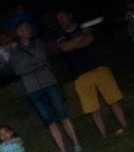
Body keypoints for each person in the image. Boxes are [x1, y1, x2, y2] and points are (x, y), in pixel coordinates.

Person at [9, 21, 82, 152]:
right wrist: (36, 64)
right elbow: (18, 70)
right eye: (25, 28)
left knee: (62, 114)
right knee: (49, 120)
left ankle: (77, 145)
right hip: (32, 89)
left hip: (49, 82)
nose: (29, 30)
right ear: (18, 33)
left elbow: (41, 57)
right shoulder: (15, 53)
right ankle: (63, 151)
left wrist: (29, 65)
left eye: (29, 27)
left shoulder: (38, 43)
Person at [54, 10, 129, 139]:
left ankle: (126, 126)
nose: (61, 20)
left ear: (70, 15)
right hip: (80, 75)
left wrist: (74, 44)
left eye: (62, 17)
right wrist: (79, 39)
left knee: (113, 100)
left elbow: (89, 39)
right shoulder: (59, 35)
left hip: (98, 68)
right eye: (58, 19)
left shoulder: (83, 26)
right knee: (93, 108)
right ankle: (104, 136)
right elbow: (65, 48)